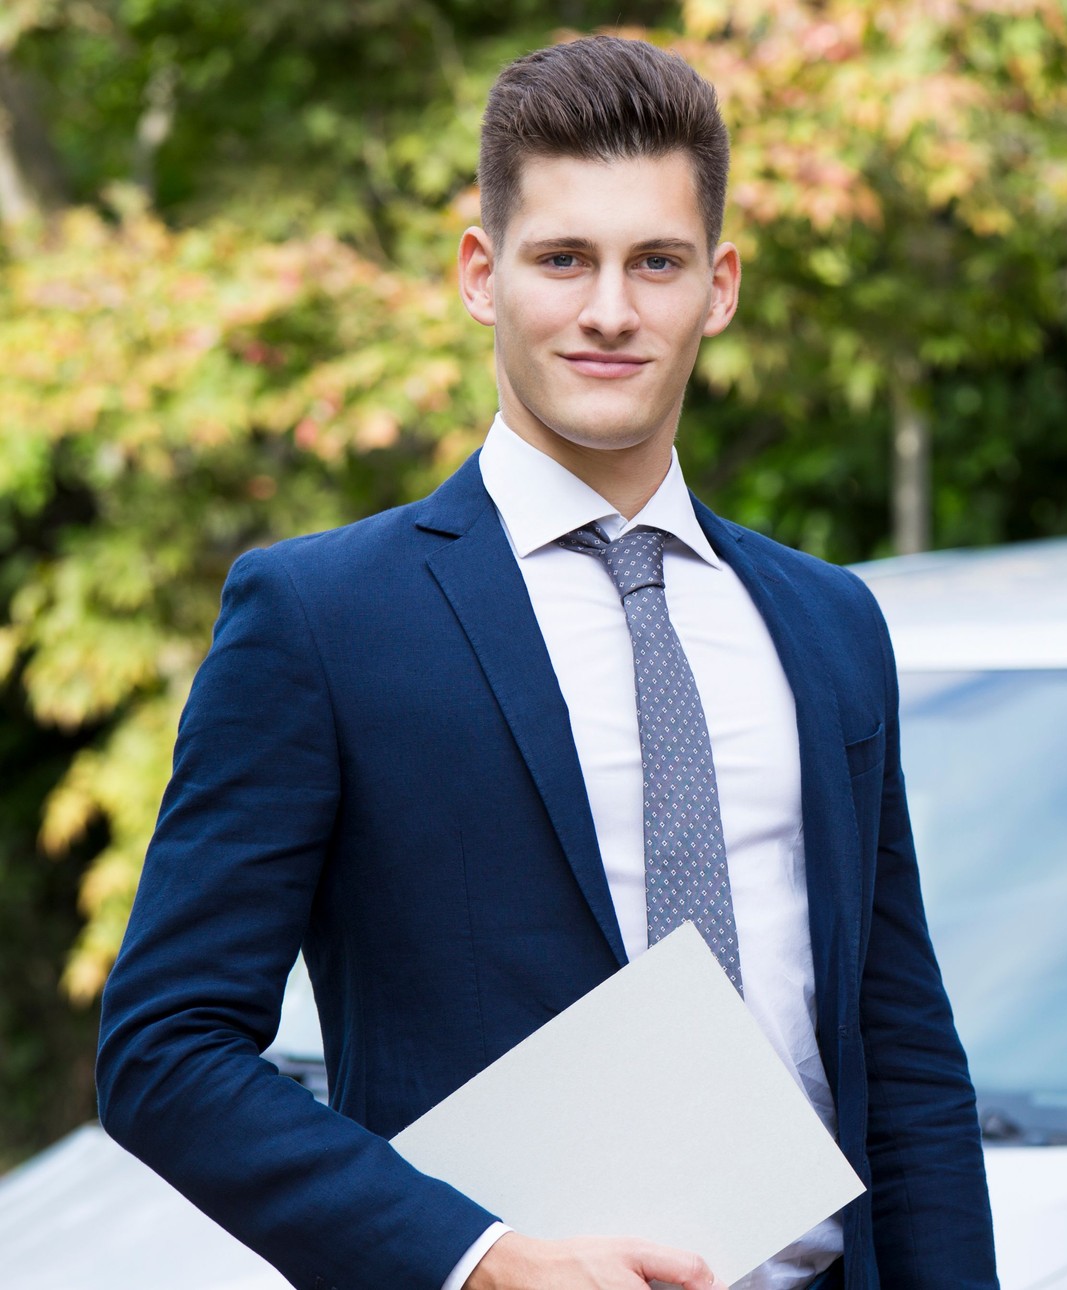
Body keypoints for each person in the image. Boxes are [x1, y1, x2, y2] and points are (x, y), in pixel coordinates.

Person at [94, 34, 997, 1290]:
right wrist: (479, 1259)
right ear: (482, 273)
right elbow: (163, 1050)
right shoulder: (321, 619)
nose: (611, 309)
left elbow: (902, 1048)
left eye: (658, 263)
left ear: (719, 287)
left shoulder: (828, 621)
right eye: (564, 258)